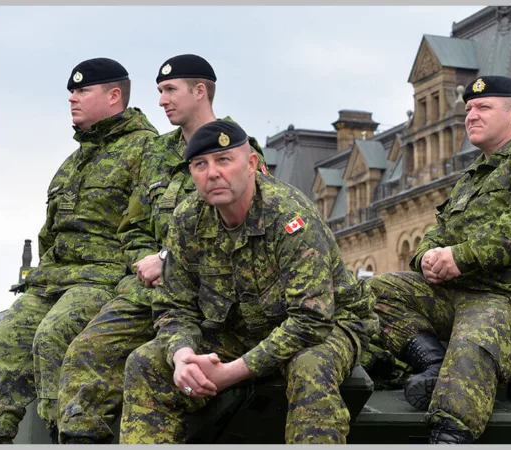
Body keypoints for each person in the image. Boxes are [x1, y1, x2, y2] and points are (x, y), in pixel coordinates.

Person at [118, 120, 379, 444]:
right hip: (241, 328)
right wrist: (182, 355)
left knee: (310, 367)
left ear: (252, 164)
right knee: (145, 363)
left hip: (328, 323)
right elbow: (174, 306)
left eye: (223, 160)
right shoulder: (187, 220)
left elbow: (311, 319)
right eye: (200, 164)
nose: (212, 173)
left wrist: (232, 372)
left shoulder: (288, 215)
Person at [56, 54, 267, 443]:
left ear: (199, 91)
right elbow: (133, 225)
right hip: (148, 291)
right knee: (86, 352)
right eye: (159, 91)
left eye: (170, 90)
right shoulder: (155, 153)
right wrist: (143, 260)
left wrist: (168, 260)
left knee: (150, 366)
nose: (161, 100)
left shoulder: (237, 151)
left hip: (208, 296)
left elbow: (249, 230)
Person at [368, 75, 511, 443]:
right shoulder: (474, 176)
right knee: (376, 291)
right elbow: (440, 231)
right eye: (468, 109)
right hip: (461, 292)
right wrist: (426, 259)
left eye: (483, 107)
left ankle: (451, 436)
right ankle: (432, 363)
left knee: (474, 341)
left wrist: (461, 258)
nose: (471, 115)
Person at [0, 58, 158, 444]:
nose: (72, 98)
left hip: (103, 278)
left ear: (114, 95)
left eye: (83, 91)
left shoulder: (146, 151)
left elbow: (149, 227)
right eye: (71, 91)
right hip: (54, 278)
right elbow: (51, 232)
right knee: (2, 343)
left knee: (52, 336)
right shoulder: (74, 161)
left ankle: (59, 434)